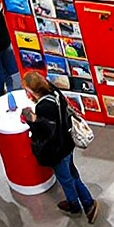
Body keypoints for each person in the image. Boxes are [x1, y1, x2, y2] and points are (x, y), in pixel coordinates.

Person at [22, 69, 96, 218]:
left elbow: (46, 132)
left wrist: (33, 120)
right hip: (67, 143)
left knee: (66, 179)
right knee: (73, 174)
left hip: (58, 150)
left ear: (32, 90)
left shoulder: (43, 107)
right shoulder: (54, 92)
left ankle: (77, 206)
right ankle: (88, 202)